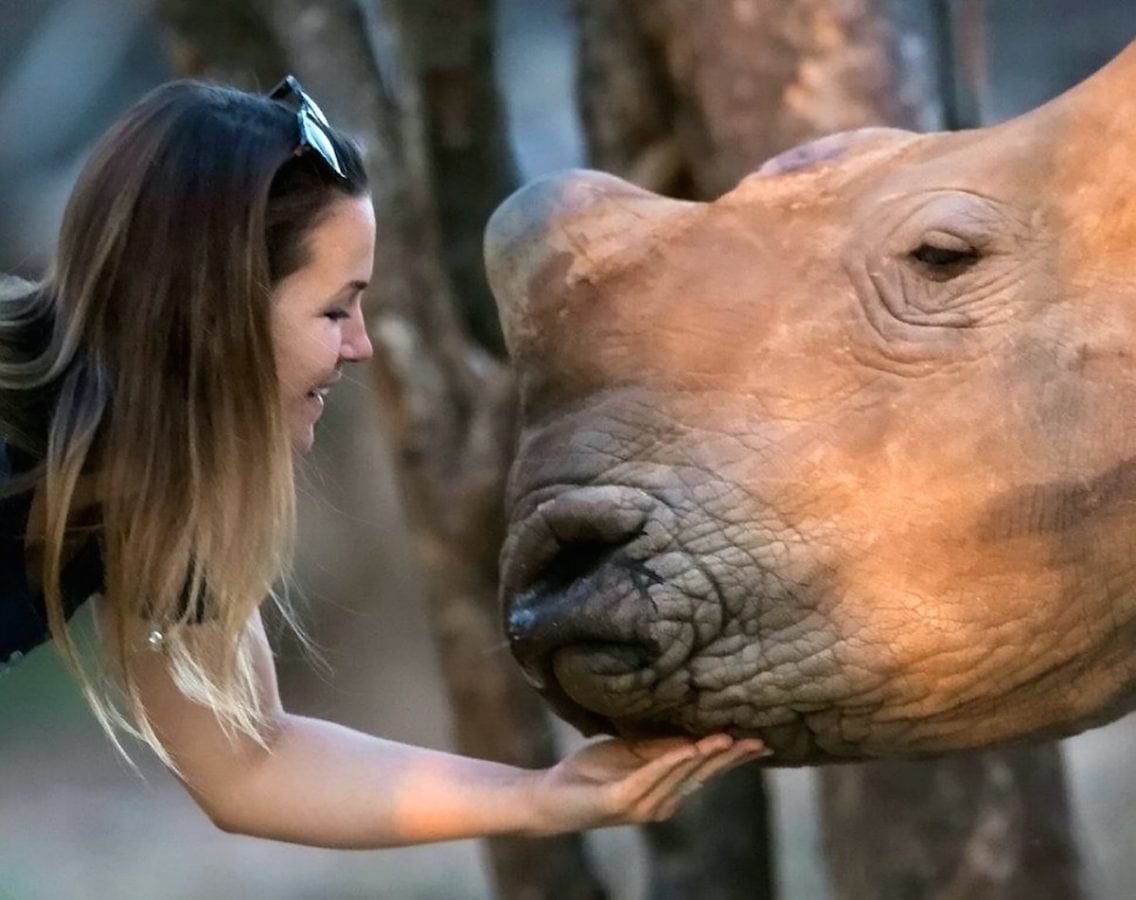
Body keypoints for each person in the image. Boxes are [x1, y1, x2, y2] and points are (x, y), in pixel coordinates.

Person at [0, 76, 768, 848]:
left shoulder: (149, 498)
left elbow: (251, 763)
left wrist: (543, 796)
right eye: (335, 310)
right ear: (214, 313)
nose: (360, 346)